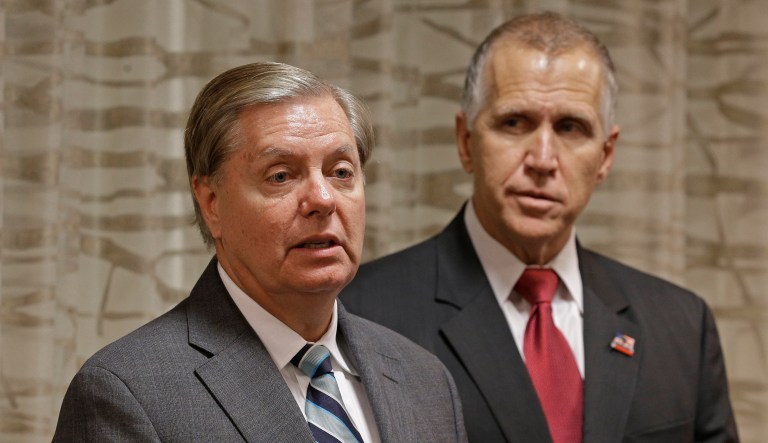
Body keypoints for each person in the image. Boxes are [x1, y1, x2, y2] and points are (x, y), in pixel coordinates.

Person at [341, 11, 738, 443]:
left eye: (571, 127)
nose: (543, 160)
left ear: (605, 156)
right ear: (466, 141)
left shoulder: (681, 324)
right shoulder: (358, 312)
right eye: (515, 123)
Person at [53, 62, 467, 443]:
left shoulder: (426, 381)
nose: (322, 199)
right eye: (281, 176)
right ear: (211, 202)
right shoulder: (127, 394)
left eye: (341, 172)